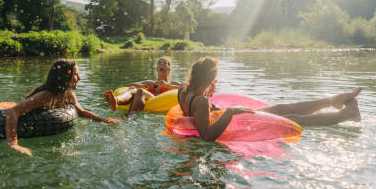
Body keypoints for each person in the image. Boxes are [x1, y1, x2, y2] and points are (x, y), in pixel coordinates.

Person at [179, 56, 362, 141]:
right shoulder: (201, 102)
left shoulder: (183, 91)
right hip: (236, 124)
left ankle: (333, 100)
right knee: (290, 118)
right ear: (210, 79)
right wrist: (230, 112)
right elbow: (206, 136)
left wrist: (211, 99)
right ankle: (346, 115)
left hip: (234, 119)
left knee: (281, 108)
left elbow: (200, 112)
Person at [103, 56, 182, 115]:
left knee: (141, 91)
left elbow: (187, 88)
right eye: (159, 62)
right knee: (134, 88)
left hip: (158, 102)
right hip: (145, 101)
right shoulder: (150, 82)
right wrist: (144, 85)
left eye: (165, 63)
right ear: (156, 69)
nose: (162, 63)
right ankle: (116, 101)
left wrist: (168, 86)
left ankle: (127, 116)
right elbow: (130, 85)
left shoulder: (172, 83)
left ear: (169, 69)